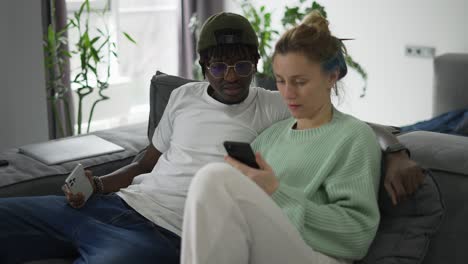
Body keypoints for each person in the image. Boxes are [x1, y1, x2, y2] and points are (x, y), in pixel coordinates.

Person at [0, 12, 423, 264]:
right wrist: (97, 185)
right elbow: (145, 162)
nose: (231, 77)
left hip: (162, 234)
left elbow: (354, 128)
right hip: (114, 205)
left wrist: (399, 150)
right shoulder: (188, 98)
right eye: (219, 67)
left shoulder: (274, 107)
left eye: (242, 66)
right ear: (204, 66)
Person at [180, 11, 383, 264]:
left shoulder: (353, 137)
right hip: (263, 246)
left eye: (300, 81)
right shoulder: (270, 137)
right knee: (213, 178)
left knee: (213, 177)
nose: (288, 93)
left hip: (318, 255)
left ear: (331, 76)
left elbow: (357, 236)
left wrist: (275, 191)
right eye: (281, 81)